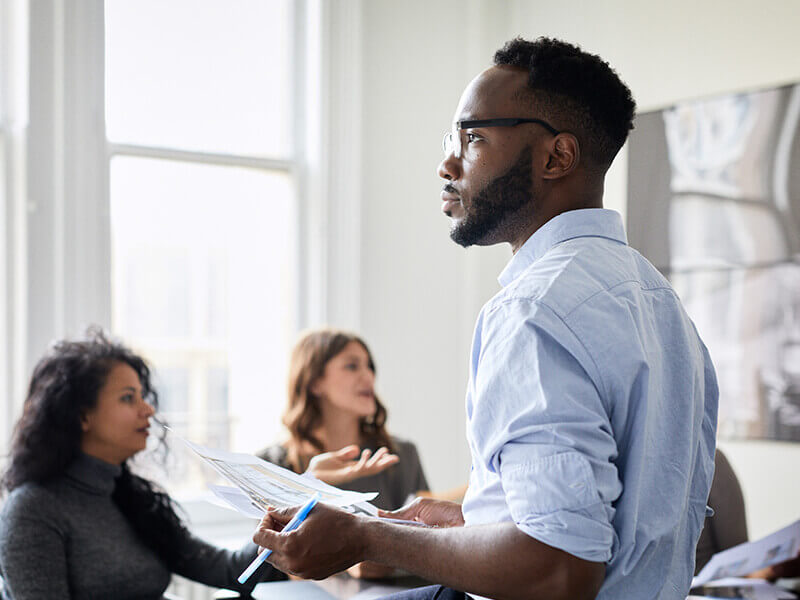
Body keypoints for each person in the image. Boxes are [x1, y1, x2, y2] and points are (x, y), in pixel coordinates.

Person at [252, 36, 718, 600]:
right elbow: (605, 531)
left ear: (557, 157)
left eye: (473, 138)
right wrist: (478, 524)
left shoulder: (534, 310)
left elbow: (560, 569)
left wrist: (367, 536)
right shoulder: (662, 305)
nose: (447, 163)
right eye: (452, 138)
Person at [0, 329, 285, 599]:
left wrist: (287, 518)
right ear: (82, 415)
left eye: (142, 396)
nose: (148, 409)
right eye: (128, 398)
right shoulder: (33, 511)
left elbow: (231, 571)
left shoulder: (131, 498)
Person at [257, 329, 429, 512]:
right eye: (352, 366)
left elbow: (425, 532)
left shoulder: (399, 455)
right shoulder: (270, 465)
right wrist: (310, 485)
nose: (369, 377)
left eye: (369, 367)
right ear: (315, 382)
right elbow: (267, 538)